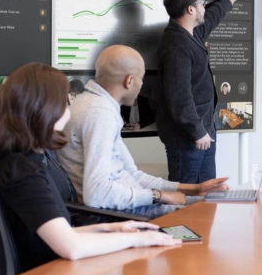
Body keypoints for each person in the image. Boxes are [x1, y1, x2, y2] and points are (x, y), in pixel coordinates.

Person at [0, 63, 180, 273]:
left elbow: (62, 232)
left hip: (55, 268)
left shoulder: (24, 160)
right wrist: (137, 239)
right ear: (44, 108)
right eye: (62, 103)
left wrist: (112, 228)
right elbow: (71, 247)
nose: (68, 112)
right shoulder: (21, 171)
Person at [58, 46, 231, 216]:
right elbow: (97, 193)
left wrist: (194, 189)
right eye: (141, 79)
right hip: (126, 215)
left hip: (136, 206)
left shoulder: (91, 105)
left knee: (216, 202)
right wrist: (159, 196)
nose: (142, 85)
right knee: (216, 210)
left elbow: (133, 174)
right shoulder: (99, 114)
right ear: (129, 81)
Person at [157, 0, 244, 183]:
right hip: (188, 138)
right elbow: (179, 96)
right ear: (190, 9)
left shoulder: (190, 33)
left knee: (208, 195)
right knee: (187, 201)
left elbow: (212, 18)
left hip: (203, 131)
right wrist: (197, 131)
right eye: (202, 3)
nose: (205, 6)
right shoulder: (177, 46)